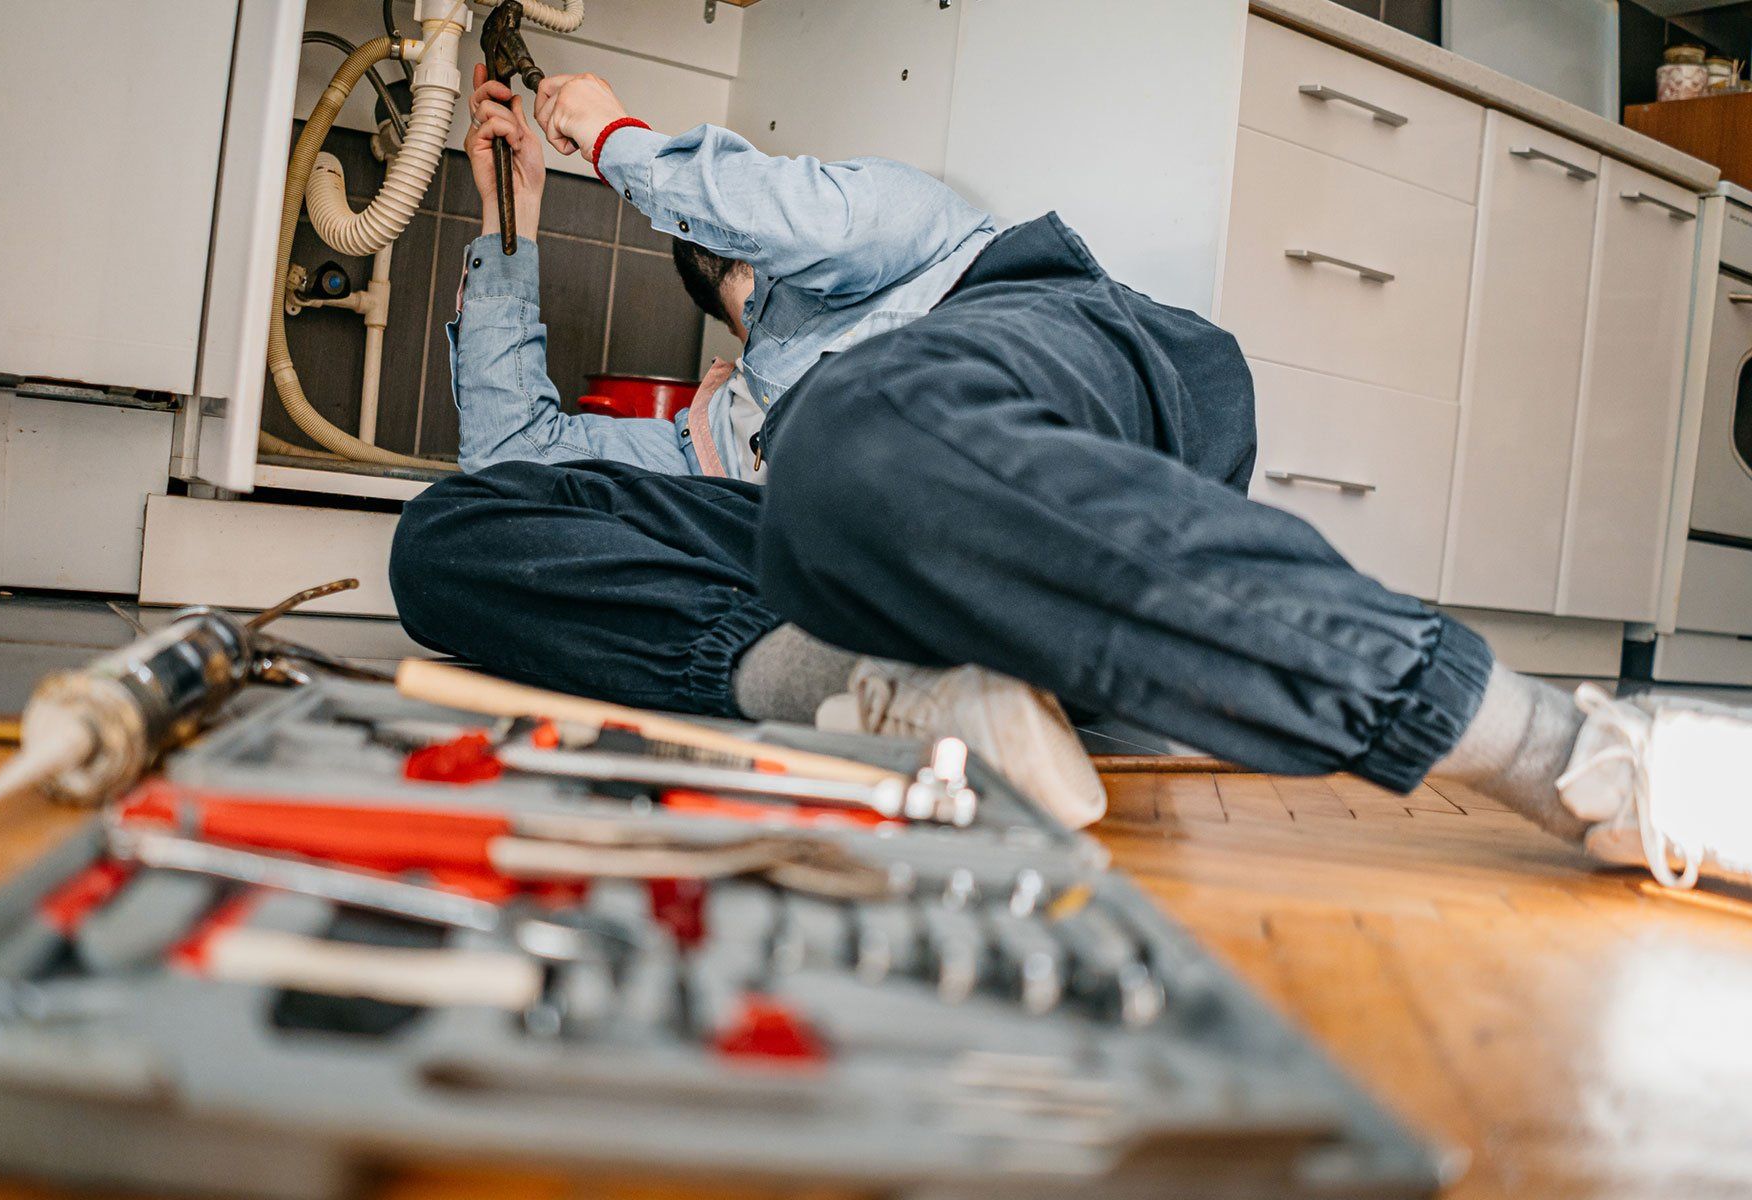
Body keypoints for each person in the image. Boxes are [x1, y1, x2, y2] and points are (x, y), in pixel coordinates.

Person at [391, 70, 1751, 891]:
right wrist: (511, 219)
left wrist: (622, 145)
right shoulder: (716, 423)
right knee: (446, 541)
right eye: (731, 284)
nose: (752, 277)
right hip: (855, 543)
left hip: (1059, 372)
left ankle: (1582, 763)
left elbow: (779, 214)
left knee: (856, 440)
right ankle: (890, 697)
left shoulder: (904, 236)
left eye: (746, 245)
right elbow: (514, 466)